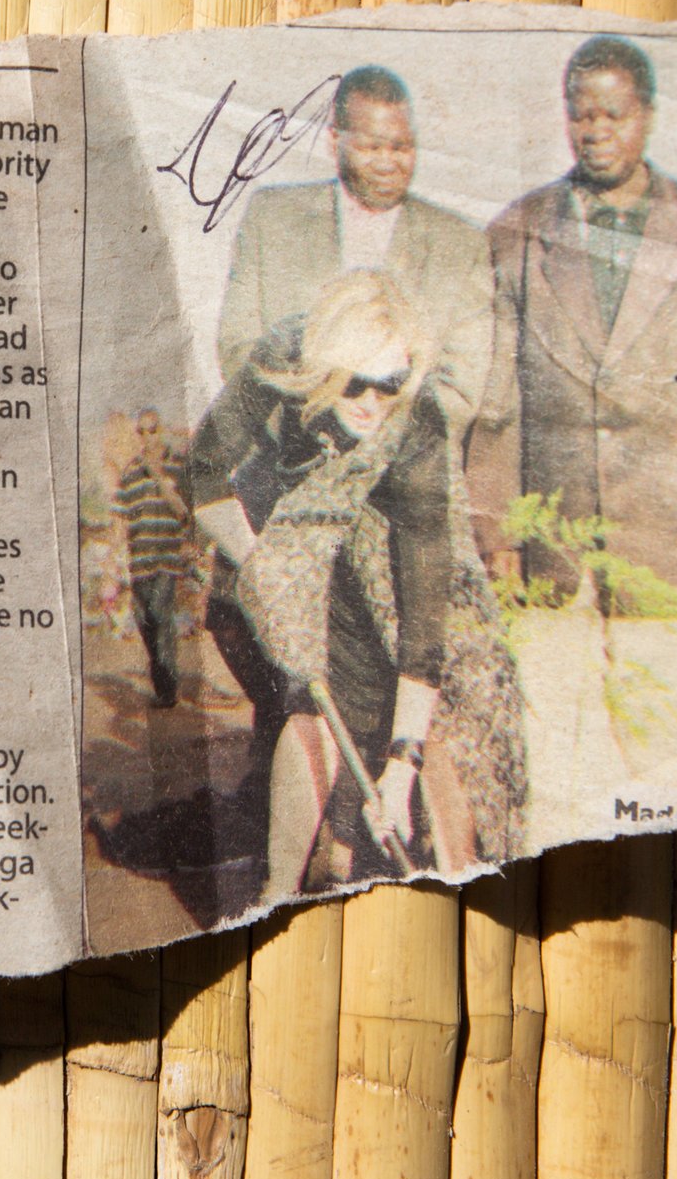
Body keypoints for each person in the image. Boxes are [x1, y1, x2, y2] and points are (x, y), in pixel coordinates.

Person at [191, 271, 525, 892]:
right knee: (307, 695)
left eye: (390, 384)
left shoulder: (416, 425)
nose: (373, 401)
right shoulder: (281, 358)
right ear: (323, 369)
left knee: (421, 683)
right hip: (280, 510)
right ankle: (278, 890)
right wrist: (266, 570)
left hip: (381, 515)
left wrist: (401, 766)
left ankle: (400, 858)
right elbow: (206, 470)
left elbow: (425, 613)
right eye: (356, 383)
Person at [467, 34, 677, 622]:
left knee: (663, 715)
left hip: (672, 563)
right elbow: (496, 403)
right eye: (581, 114)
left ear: (648, 116)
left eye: (613, 114)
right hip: (550, 562)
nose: (595, 131)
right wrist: (499, 537)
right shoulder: (517, 231)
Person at [215, 65, 496, 431]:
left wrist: (374, 441)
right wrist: (303, 433)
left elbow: (463, 387)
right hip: (285, 458)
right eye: (371, 147)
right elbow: (239, 349)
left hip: (398, 473)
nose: (387, 163)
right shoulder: (272, 218)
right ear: (335, 142)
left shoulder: (463, 244)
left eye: (401, 147)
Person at [110, 409, 190, 708]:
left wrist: (157, 474)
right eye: (141, 432)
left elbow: (183, 511)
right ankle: (163, 681)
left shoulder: (178, 466)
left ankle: (168, 690)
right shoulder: (130, 472)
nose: (147, 436)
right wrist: (110, 561)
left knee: (160, 613)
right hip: (139, 561)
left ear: (162, 429)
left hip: (167, 558)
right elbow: (120, 518)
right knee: (145, 621)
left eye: (152, 429)